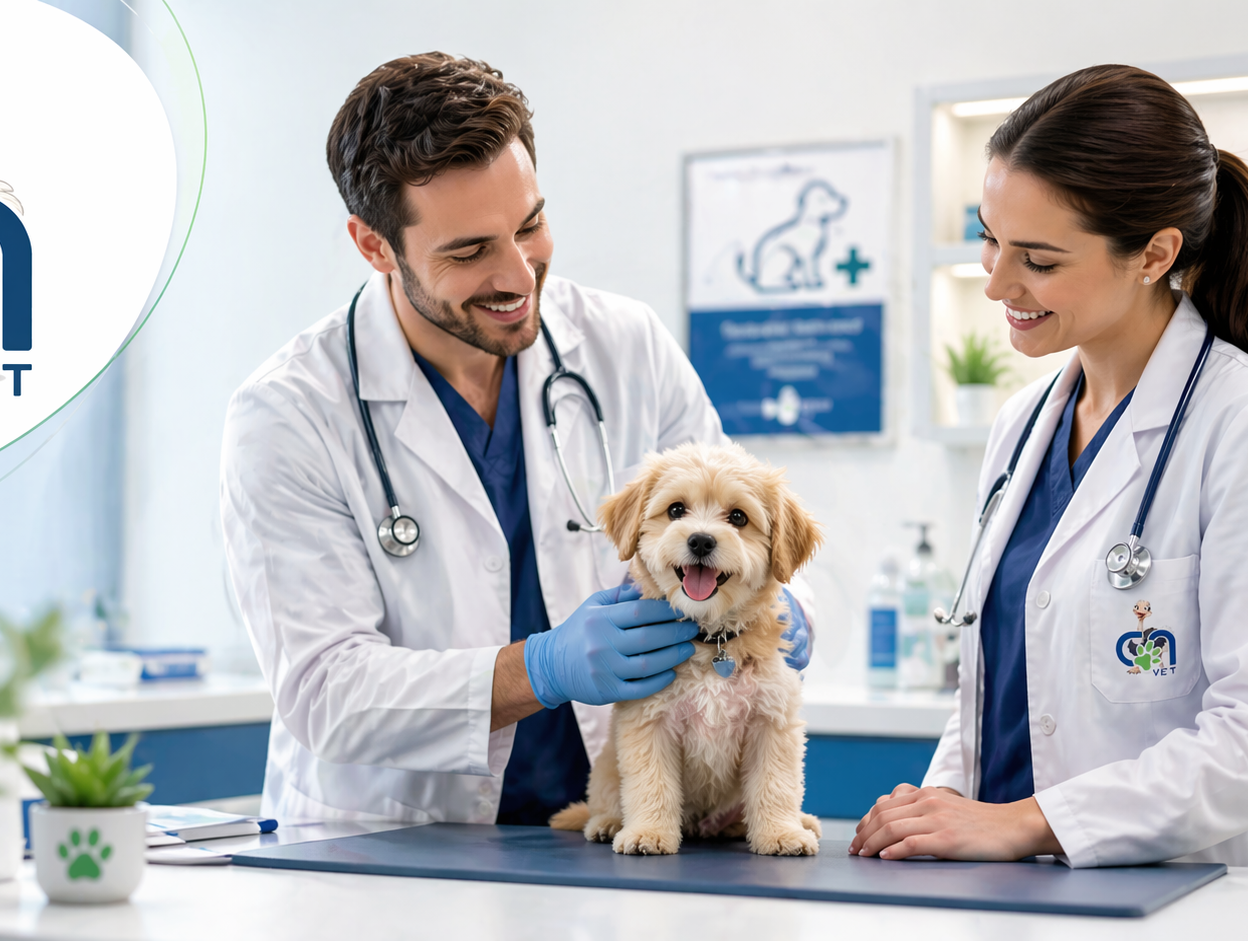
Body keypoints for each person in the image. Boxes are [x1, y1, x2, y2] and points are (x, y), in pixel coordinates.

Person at [220, 54, 815, 826]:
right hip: (396, 847)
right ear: (374, 246)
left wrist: (784, 613)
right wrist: (540, 669)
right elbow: (324, 691)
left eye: (530, 226)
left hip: (604, 828)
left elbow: (739, 521)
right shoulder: (290, 413)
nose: (518, 275)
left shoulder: (624, 345)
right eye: (469, 252)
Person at [850, 64, 1248, 869]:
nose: (996, 283)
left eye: (1039, 261)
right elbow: (1001, 693)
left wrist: (1030, 821)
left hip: (1202, 898)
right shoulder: (1022, 427)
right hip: (1023, 895)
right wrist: (941, 811)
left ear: (1154, 254)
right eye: (989, 238)